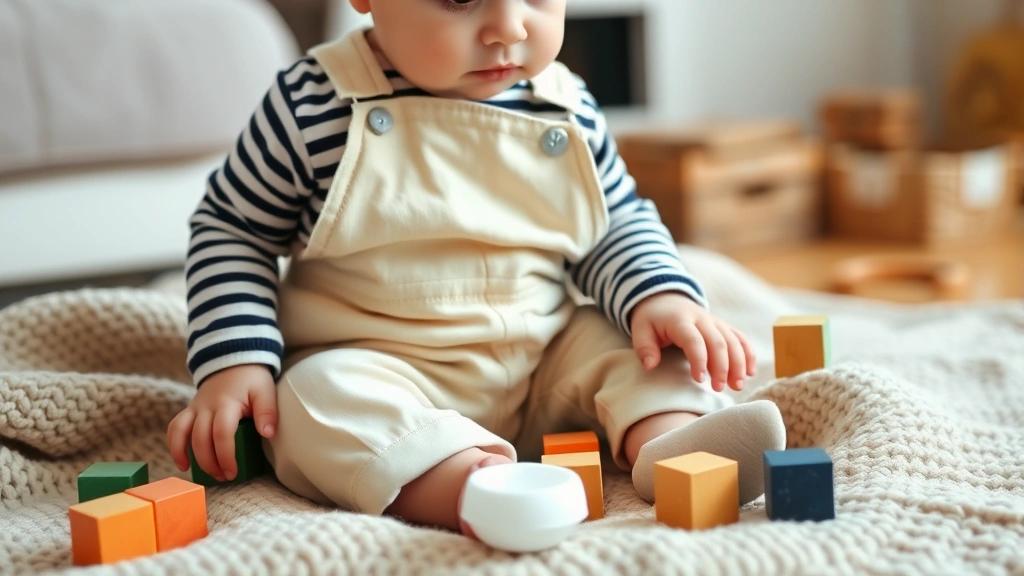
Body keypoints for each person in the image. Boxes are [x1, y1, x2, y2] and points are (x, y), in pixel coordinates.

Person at [166, 0, 786, 536]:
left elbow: (613, 222)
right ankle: (469, 485)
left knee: (644, 347)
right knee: (307, 402)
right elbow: (232, 230)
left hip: (545, 356)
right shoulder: (311, 105)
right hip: (380, 364)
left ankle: (670, 444)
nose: (509, 28)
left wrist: (660, 298)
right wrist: (236, 360)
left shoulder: (565, 105)